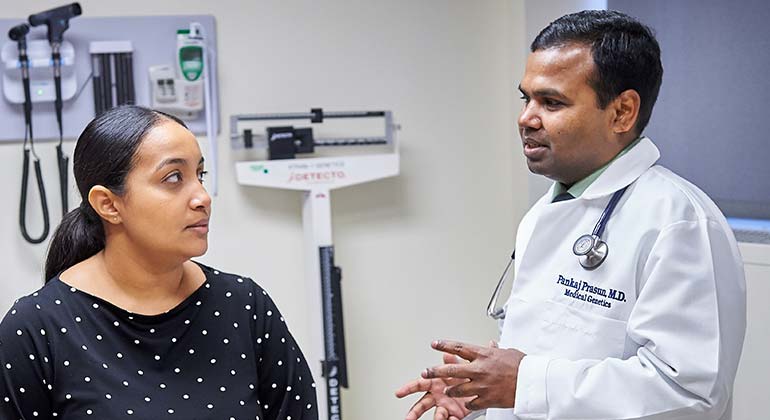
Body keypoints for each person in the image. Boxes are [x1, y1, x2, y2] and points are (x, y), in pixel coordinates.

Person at [396, 10, 746, 420]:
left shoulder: (679, 223)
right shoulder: (546, 212)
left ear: (622, 112)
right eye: (525, 97)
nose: (526, 117)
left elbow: (689, 394)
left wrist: (525, 383)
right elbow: (541, 360)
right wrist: (477, 394)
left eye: (551, 102)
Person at [0, 105, 318, 419]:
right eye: (174, 177)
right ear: (108, 204)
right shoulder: (35, 329)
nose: (202, 197)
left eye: (200, 175)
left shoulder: (246, 306)